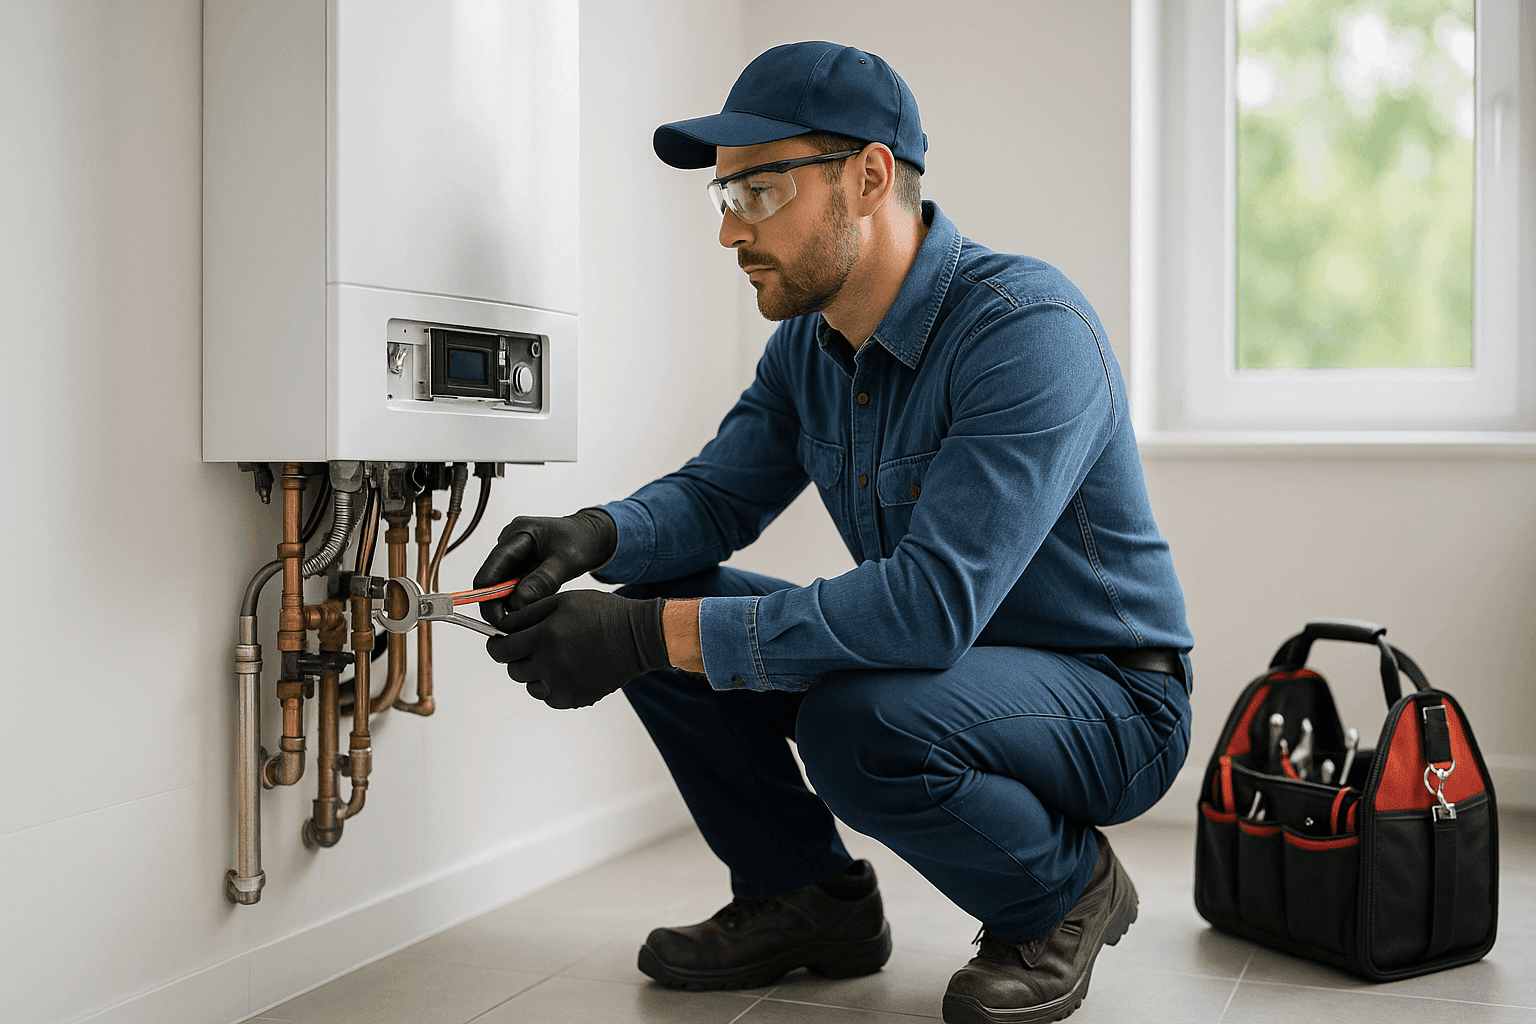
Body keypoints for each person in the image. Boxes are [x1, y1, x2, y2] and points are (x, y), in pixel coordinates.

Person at [474, 40, 1193, 1024]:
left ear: (868, 176)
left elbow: (930, 607)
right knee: (667, 594)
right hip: (946, 671)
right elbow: (715, 498)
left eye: (760, 191)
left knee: (859, 721)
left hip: (1109, 697)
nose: (730, 230)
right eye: (723, 197)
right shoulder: (810, 349)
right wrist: (593, 535)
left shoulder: (1027, 328)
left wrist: (643, 641)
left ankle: (1061, 890)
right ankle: (807, 896)